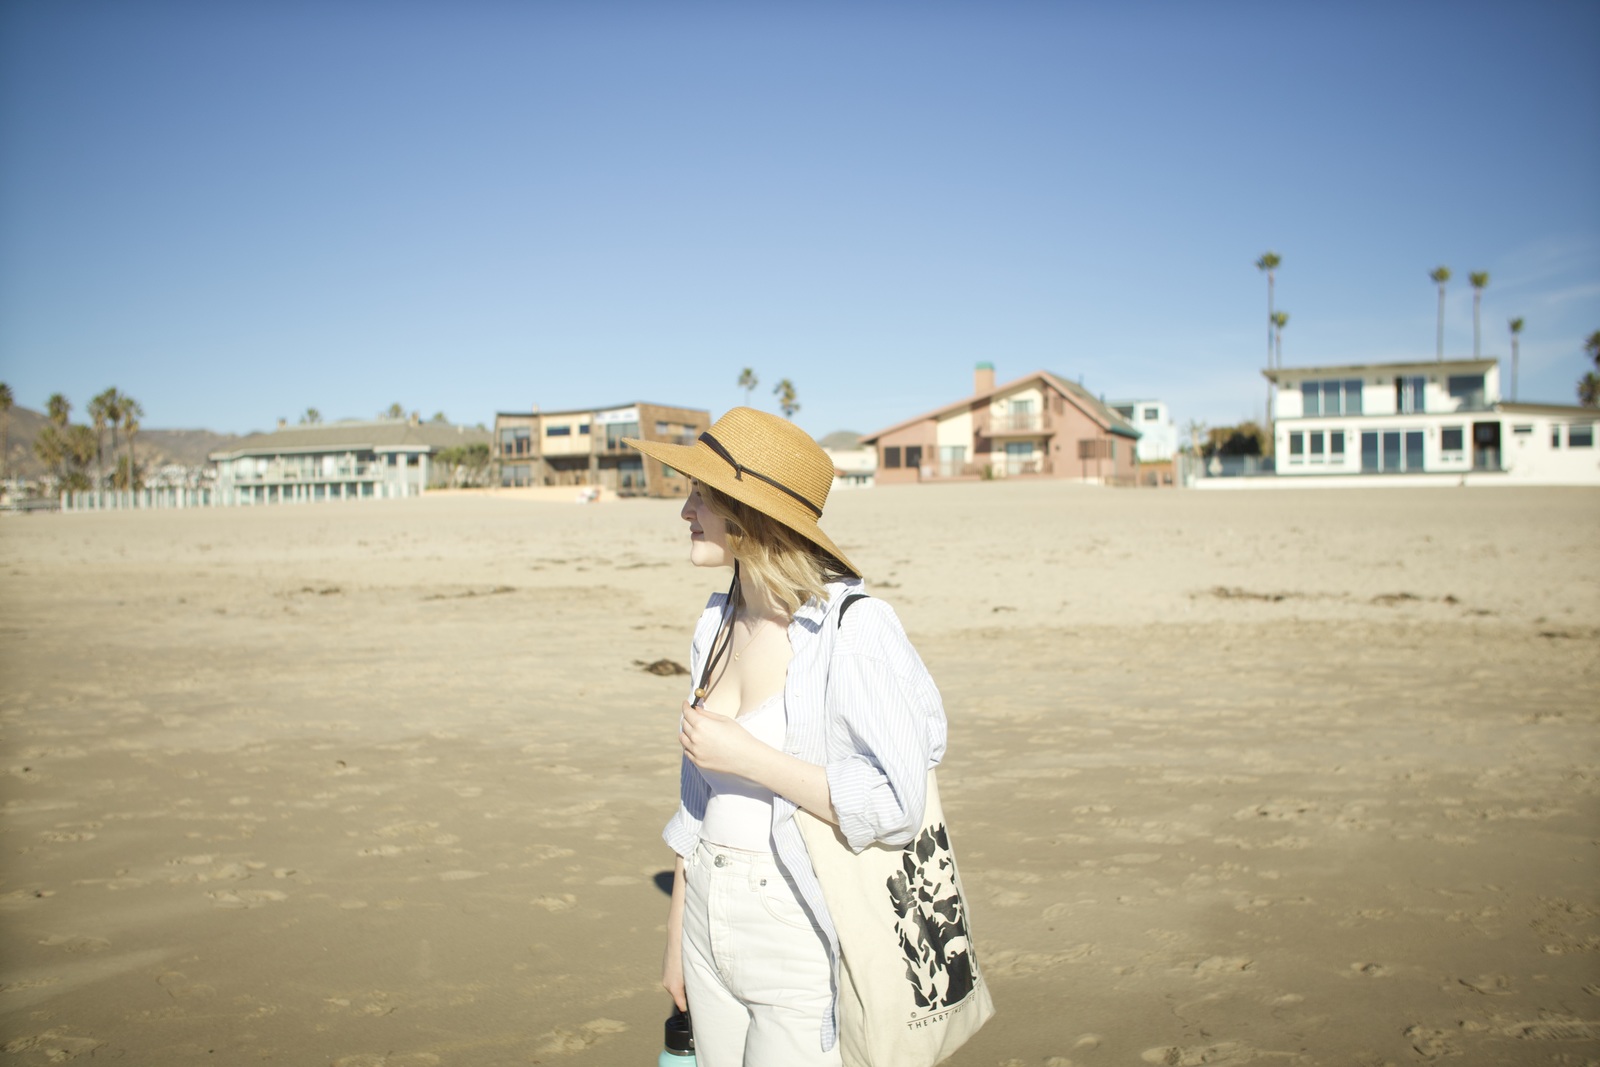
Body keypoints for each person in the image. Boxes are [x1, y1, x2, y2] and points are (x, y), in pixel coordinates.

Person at [626, 408, 947, 1067]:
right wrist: (677, 926)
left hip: (797, 923)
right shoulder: (715, 620)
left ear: (747, 513)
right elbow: (697, 794)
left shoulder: (850, 630)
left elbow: (896, 800)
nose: (684, 510)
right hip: (708, 912)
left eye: (699, 494)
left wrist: (754, 760)